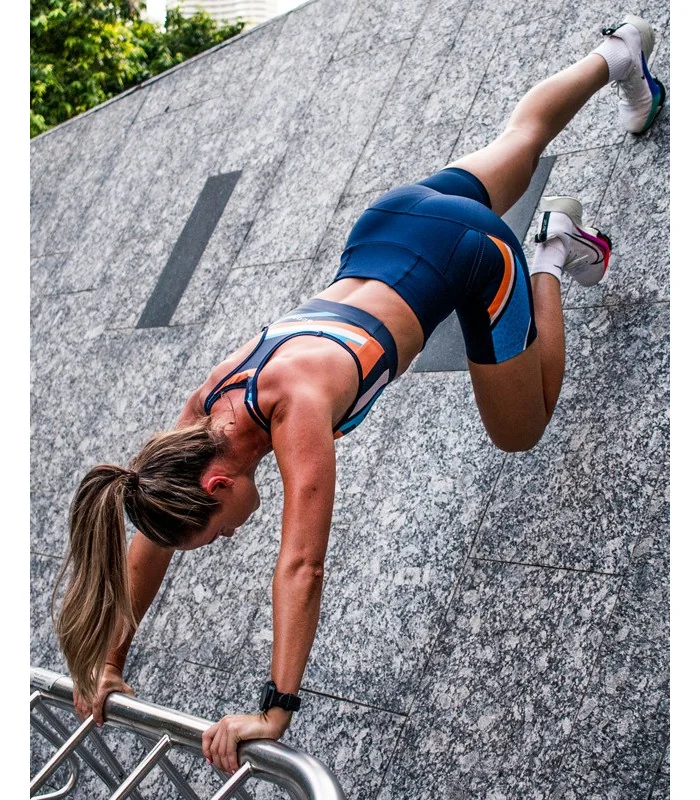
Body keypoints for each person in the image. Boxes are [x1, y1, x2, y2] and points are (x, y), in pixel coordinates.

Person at [52, 13, 665, 775]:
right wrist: (110, 659)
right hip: (396, 223)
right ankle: (616, 54)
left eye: (216, 534)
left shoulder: (296, 408)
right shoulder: (203, 410)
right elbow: (150, 542)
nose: (227, 539)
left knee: (519, 430)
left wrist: (275, 709)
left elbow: (301, 564)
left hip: (474, 258)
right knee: (523, 132)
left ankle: (547, 250)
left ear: (219, 483)